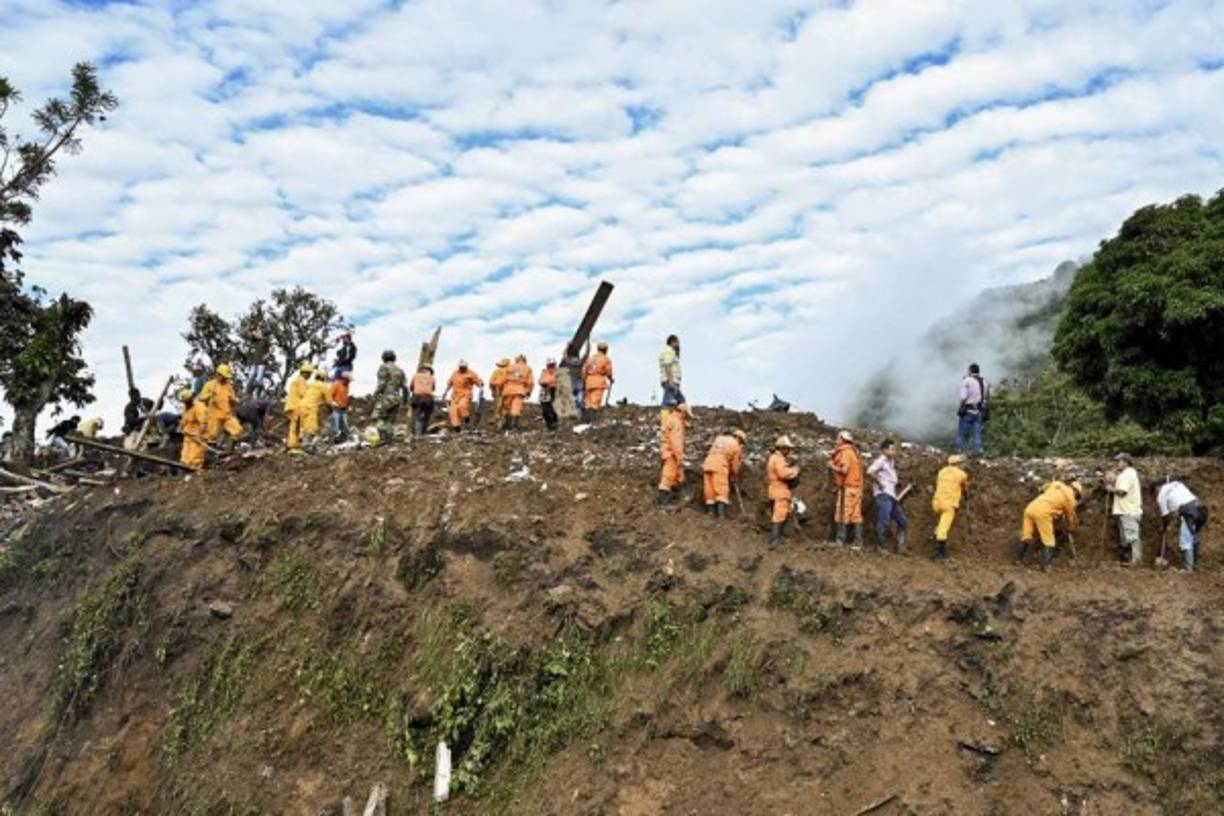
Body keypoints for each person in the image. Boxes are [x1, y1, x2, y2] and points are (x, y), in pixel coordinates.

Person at [1017, 479, 1082, 572]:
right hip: (1043, 513)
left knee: (1026, 536)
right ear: (1076, 493)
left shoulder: (1057, 484)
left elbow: (1042, 489)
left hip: (1030, 508)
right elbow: (1070, 517)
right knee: (1049, 541)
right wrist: (1070, 527)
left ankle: (1019, 560)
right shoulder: (1071, 499)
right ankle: (1046, 566)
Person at [1156, 479, 1208, 574]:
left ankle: (1188, 569)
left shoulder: (1161, 495)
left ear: (1157, 488)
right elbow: (1176, 509)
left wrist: (1164, 527)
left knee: (1185, 540)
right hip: (1201, 508)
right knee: (1194, 538)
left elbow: (1165, 516)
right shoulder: (1176, 484)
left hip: (1188, 512)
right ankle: (1194, 565)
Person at [866, 439, 908, 551]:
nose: (894, 452)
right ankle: (880, 546)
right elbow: (869, 471)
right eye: (892, 449)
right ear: (884, 450)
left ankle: (901, 547)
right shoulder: (881, 461)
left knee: (902, 521)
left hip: (891, 496)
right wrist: (879, 483)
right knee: (884, 519)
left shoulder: (891, 462)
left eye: (895, 449)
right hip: (883, 495)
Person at [1106, 452, 1143, 565]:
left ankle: (1136, 560)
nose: (1116, 463)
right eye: (1115, 461)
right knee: (1126, 537)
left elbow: (1122, 492)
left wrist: (1110, 489)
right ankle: (1129, 559)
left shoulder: (1128, 474)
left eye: (1119, 461)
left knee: (1131, 537)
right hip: (1125, 510)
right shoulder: (1127, 474)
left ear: (1126, 462)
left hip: (1128, 510)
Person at [931, 454, 970, 561]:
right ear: (958, 464)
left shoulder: (941, 472)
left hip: (936, 503)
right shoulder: (962, 474)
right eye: (962, 463)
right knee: (943, 529)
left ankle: (934, 544)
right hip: (948, 504)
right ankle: (940, 555)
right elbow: (965, 488)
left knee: (940, 525)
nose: (963, 465)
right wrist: (966, 496)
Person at [828, 430, 864, 546]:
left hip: (847, 488)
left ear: (843, 440)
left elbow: (844, 470)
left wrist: (832, 466)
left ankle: (840, 540)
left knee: (842, 512)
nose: (836, 441)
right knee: (856, 514)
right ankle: (858, 541)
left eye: (838, 439)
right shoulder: (853, 452)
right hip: (857, 488)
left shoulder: (846, 452)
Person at [702, 428, 745, 519]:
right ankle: (721, 515)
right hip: (720, 465)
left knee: (709, 488)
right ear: (739, 438)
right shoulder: (736, 445)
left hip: (708, 463)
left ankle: (710, 512)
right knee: (721, 488)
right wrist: (734, 474)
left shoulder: (719, 438)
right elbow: (735, 464)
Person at [198, 363, 244, 446]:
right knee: (212, 436)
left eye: (226, 377)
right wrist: (210, 395)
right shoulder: (210, 385)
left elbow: (233, 398)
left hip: (227, 414)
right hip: (214, 415)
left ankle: (231, 449)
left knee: (238, 430)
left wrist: (236, 400)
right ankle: (210, 451)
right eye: (224, 376)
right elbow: (201, 398)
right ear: (218, 374)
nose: (226, 378)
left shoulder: (228, 386)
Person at [767, 436, 800, 547]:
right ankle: (774, 540)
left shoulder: (774, 458)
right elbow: (783, 473)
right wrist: (795, 470)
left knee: (777, 514)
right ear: (782, 448)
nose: (789, 451)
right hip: (780, 490)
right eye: (787, 449)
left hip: (774, 489)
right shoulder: (778, 459)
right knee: (779, 515)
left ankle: (777, 539)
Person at [657, 402, 690, 507]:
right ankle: (663, 503)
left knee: (679, 475)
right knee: (668, 476)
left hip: (667, 451)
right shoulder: (676, 422)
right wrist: (680, 456)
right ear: (683, 413)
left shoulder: (669, 419)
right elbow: (676, 441)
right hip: (671, 453)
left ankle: (680, 495)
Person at [372, 349, 407, 445]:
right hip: (397, 398)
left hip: (386, 397)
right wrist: (405, 401)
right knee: (390, 422)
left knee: (380, 419)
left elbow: (381, 383)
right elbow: (405, 387)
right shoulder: (400, 370)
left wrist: (375, 394)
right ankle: (389, 441)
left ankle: (383, 439)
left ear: (383, 358)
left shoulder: (384, 367)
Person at [955, 363, 989, 457]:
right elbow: (985, 397)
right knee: (977, 434)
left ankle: (960, 452)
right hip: (979, 410)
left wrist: (961, 405)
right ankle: (977, 453)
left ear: (970, 371)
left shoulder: (967, 381)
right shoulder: (984, 381)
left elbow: (963, 397)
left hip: (968, 410)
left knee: (962, 433)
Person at [443, 360, 484, 431]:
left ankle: (466, 418)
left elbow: (478, 382)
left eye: (463, 367)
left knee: (462, 406)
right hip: (455, 396)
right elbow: (450, 383)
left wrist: (481, 386)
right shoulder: (455, 373)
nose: (462, 369)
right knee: (453, 412)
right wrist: (445, 392)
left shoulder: (471, 373)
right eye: (461, 367)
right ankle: (457, 428)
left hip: (465, 394)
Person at [582, 341, 614, 423]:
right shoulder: (606, 359)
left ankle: (586, 421)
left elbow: (584, 370)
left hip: (588, 382)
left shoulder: (590, 358)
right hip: (598, 382)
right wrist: (610, 378)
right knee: (595, 402)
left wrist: (584, 381)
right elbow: (608, 371)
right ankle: (592, 421)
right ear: (605, 350)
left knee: (588, 402)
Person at [284, 362, 313, 451]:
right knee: (295, 427)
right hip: (296, 407)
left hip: (291, 406)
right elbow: (303, 393)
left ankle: (293, 444)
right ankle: (292, 446)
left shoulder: (297, 380)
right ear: (306, 373)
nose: (310, 376)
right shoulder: (301, 380)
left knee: (295, 427)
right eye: (309, 374)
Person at [299, 369, 333, 447]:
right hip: (310, 407)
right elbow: (329, 401)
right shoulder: (323, 386)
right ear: (323, 378)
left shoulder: (310, 385)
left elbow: (311, 397)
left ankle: (299, 443)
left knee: (303, 426)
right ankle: (306, 445)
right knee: (311, 427)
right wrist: (331, 410)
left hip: (301, 406)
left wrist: (321, 403)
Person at [177, 389, 208, 470]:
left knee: (195, 458)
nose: (185, 403)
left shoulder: (199, 407)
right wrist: (180, 427)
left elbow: (203, 423)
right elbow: (184, 420)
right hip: (188, 436)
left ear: (191, 399)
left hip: (197, 436)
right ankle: (183, 472)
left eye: (186, 401)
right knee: (184, 458)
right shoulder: (186, 407)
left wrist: (198, 435)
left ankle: (195, 473)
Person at [502, 354, 534, 431]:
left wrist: (501, 389)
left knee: (507, 407)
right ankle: (514, 426)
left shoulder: (509, 367)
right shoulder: (527, 368)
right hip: (519, 390)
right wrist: (528, 391)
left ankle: (506, 424)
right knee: (516, 408)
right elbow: (530, 382)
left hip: (508, 390)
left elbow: (503, 379)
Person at [410, 364, 436, 437]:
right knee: (427, 416)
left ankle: (417, 434)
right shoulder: (432, 377)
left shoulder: (415, 376)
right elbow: (433, 388)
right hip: (428, 398)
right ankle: (423, 433)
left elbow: (411, 387)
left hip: (417, 398)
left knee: (417, 415)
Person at [659, 334, 684, 408]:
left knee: (681, 401)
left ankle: (678, 415)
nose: (678, 344)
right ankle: (664, 416)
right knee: (667, 402)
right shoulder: (669, 351)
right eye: (677, 342)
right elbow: (667, 365)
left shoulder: (671, 352)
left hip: (673, 381)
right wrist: (670, 380)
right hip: (671, 381)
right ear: (672, 342)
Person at [245, 327, 270, 398]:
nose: (256, 333)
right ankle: (249, 393)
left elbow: (271, 349)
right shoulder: (256, 341)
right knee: (250, 377)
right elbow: (250, 335)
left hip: (261, 363)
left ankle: (257, 393)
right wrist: (249, 329)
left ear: (261, 333)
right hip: (254, 362)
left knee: (258, 380)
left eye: (258, 332)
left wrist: (267, 355)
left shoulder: (265, 340)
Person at [330, 371, 352, 442]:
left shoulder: (347, 386)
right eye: (348, 380)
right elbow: (329, 395)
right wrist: (333, 402)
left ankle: (344, 439)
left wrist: (348, 405)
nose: (349, 382)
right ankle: (334, 440)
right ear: (344, 379)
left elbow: (346, 397)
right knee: (335, 424)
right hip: (336, 408)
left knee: (344, 425)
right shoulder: (336, 384)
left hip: (344, 409)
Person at [538, 359, 559, 431]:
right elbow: (540, 380)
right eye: (549, 365)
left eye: (552, 365)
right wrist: (544, 383)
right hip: (545, 391)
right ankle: (549, 426)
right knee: (545, 410)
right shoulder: (544, 372)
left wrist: (553, 384)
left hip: (554, 391)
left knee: (552, 408)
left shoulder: (558, 373)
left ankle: (554, 422)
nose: (551, 367)